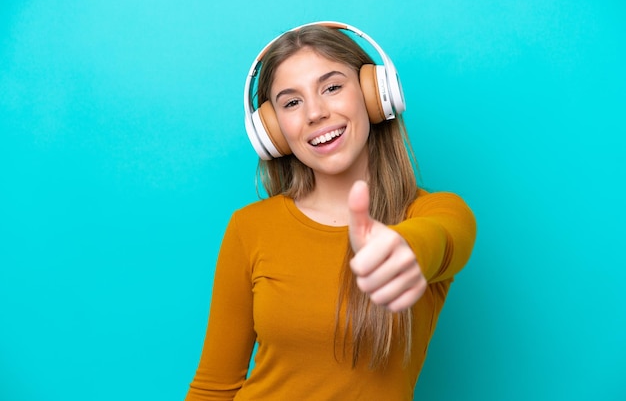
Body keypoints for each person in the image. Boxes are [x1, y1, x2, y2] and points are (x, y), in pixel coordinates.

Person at [185, 21, 476, 400]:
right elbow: (213, 388)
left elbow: (443, 237)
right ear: (274, 131)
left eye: (332, 87)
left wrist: (404, 249)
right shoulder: (249, 227)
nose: (315, 113)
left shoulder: (433, 213)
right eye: (292, 102)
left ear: (374, 96)